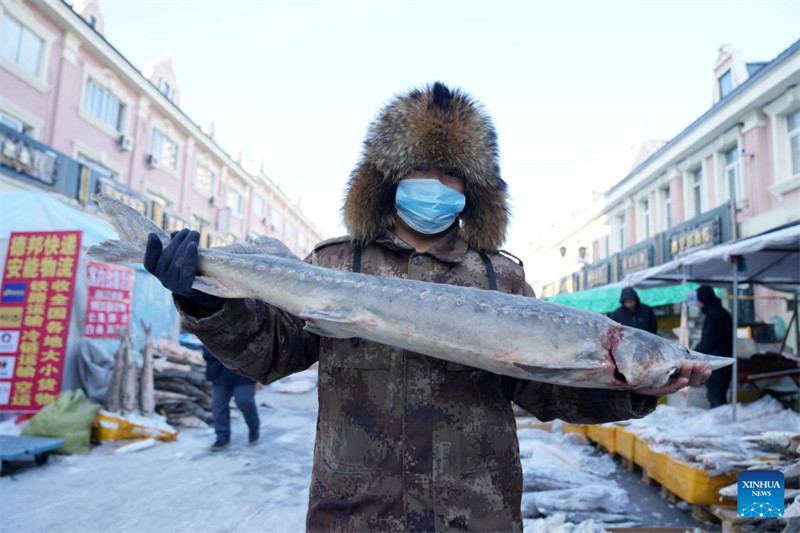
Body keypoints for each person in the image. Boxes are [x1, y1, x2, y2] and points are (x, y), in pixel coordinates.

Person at [143, 82, 710, 531]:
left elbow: (543, 389)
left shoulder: (498, 275)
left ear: (472, 190)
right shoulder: (336, 262)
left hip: (476, 514)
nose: (435, 186)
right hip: (357, 514)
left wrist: (636, 388)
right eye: (420, 172)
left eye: (451, 176)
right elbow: (272, 353)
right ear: (389, 180)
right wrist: (203, 299)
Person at [202, 345, 260, 451]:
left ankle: (254, 428)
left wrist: (260, 375)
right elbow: (206, 349)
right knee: (218, 405)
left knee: (244, 401)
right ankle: (222, 437)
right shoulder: (211, 329)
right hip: (219, 372)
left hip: (244, 372)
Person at [695, 285, 733, 408]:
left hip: (717, 363)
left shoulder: (714, 315)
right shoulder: (720, 312)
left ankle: (721, 423)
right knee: (718, 395)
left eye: (699, 300)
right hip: (722, 360)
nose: (698, 304)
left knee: (717, 397)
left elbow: (708, 341)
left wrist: (693, 353)